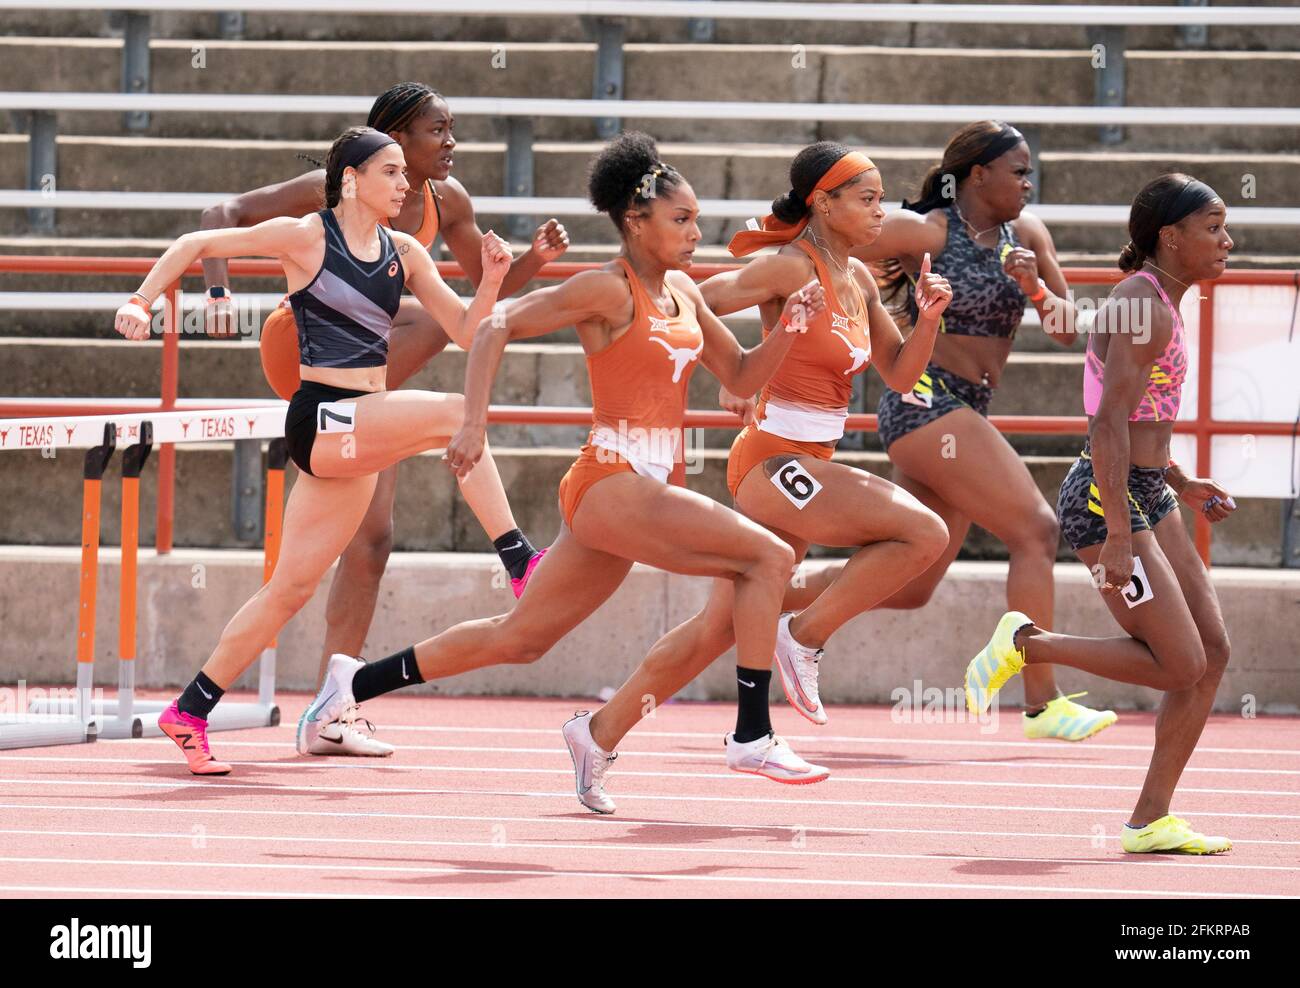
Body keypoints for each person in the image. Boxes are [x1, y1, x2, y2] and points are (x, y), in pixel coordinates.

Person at [294, 132, 834, 797]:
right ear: (637, 222)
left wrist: (789, 328)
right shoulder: (606, 290)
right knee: (769, 559)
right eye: (682, 219)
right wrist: (471, 421)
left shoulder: (686, 296)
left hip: (643, 490)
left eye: (696, 219)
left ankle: (351, 685)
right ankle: (752, 734)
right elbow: (494, 327)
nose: (697, 233)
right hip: (611, 482)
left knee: (520, 638)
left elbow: (745, 377)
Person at [557, 141, 954, 812]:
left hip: (812, 462)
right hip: (771, 460)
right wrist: (721, 373)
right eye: (868, 199)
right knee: (923, 533)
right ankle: (802, 637)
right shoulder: (785, 269)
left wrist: (930, 319)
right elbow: (689, 300)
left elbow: (900, 374)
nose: (882, 212)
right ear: (823, 204)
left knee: (716, 629)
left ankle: (598, 732)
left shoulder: (855, 279)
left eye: (882, 199)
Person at [112, 126, 513, 775]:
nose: (405, 183)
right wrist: (142, 300)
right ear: (351, 179)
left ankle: (188, 710)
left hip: (355, 432)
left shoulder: (405, 251)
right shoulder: (307, 236)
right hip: (321, 418)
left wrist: (491, 280)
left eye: (404, 174)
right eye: (390, 172)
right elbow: (199, 240)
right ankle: (521, 561)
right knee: (450, 412)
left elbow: (468, 332)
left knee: (288, 589)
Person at [201, 83, 566, 753]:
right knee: (433, 323)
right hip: (310, 357)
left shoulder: (448, 203)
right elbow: (225, 210)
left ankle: (329, 708)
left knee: (370, 544)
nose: (451, 143)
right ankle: (514, 551)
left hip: (374, 377)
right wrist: (219, 289)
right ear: (394, 139)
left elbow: (475, 304)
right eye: (437, 131)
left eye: (452, 129)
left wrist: (533, 264)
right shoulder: (335, 186)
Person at [965, 174, 1237, 854]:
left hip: (1148, 488)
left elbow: (1142, 421)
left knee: (1213, 653)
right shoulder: (1146, 307)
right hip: (1105, 497)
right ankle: (1025, 644)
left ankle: (1150, 818)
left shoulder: (1158, 300)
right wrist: (1117, 529)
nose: (1227, 240)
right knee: (1180, 663)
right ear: (1169, 238)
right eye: (1213, 227)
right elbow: (1107, 420)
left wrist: (1181, 477)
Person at [841, 119, 1116, 740]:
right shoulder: (928, 230)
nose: (1029, 181)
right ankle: (1042, 703)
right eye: (1018, 170)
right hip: (925, 400)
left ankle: (771, 595)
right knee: (1038, 531)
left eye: (1030, 171)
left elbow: (1069, 328)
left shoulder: (1030, 234)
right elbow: (827, 242)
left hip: (966, 412)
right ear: (977, 174)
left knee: (910, 582)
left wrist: (1035, 287)